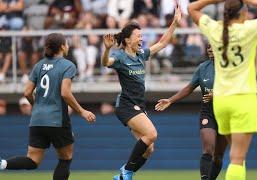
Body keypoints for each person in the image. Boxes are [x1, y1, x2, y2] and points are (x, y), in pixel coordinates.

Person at [188, 0, 257, 180]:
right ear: (242, 13)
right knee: (237, 158)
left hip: (221, 102)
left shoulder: (215, 29)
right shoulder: (248, 29)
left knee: (236, 156)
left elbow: (192, 8)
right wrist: (250, 0)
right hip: (242, 98)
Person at [0, 33, 96, 180]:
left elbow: (27, 92)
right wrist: (82, 111)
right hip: (57, 118)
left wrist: (37, 106)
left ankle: (3, 164)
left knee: (32, 161)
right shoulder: (68, 65)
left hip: (37, 119)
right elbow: (65, 93)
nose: (68, 46)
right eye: (67, 43)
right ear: (62, 47)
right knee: (65, 158)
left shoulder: (39, 65)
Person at [101, 4, 181, 180]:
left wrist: (174, 23)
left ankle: (123, 176)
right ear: (128, 40)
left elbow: (162, 42)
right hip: (126, 105)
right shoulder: (121, 57)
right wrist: (107, 49)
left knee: (149, 149)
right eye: (138, 36)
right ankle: (127, 170)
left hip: (138, 105)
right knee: (152, 134)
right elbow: (106, 63)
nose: (141, 39)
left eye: (141, 36)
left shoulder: (141, 54)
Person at [155, 44, 228, 180]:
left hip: (225, 113)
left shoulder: (229, 68)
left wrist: (217, 94)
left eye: (213, 46)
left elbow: (235, 89)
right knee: (208, 150)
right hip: (208, 113)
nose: (210, 49)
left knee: (218, 157)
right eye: (207, 47)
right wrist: (170, 100)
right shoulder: (203, 68)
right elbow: (189, 88)